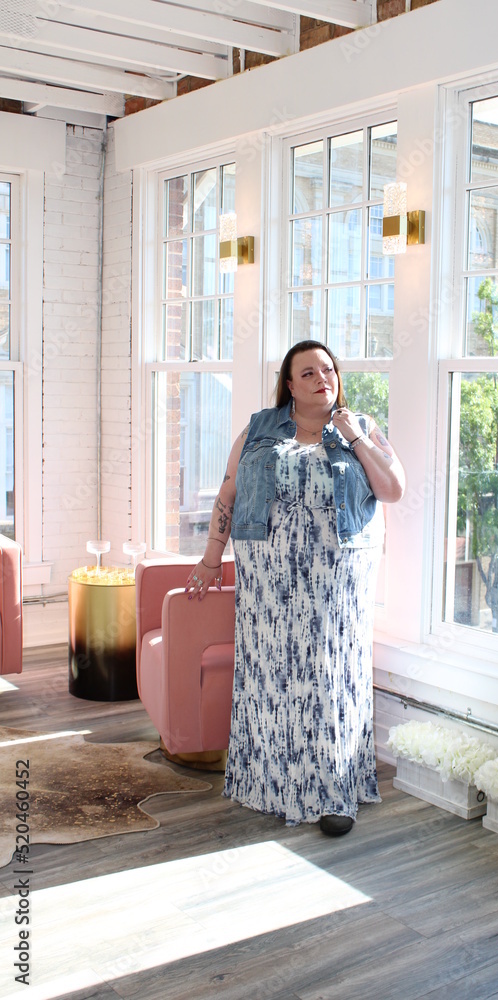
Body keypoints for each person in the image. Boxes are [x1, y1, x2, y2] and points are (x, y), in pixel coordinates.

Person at [184, 340, 405, 835]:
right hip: (267, 578)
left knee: (329, 675)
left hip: (337, 577)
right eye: (308, 373)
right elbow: (229, 493)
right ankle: (270, 782)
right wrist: (211, 557)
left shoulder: (362, 427)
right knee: (271, 672)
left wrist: (354, 437)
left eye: (328, 369)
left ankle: (332, 791)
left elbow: (392, 490)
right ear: (289, 384)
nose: (322, 378)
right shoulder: (258, 428)